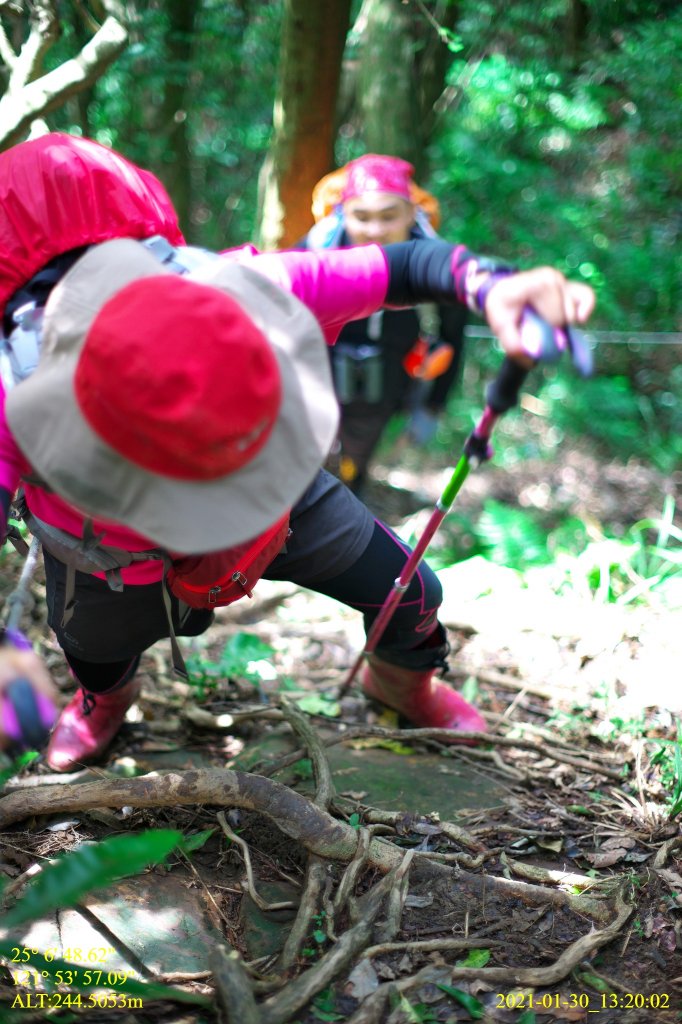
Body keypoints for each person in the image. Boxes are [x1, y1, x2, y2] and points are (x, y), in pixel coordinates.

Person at [0, 133, 595, 769]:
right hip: (110, 559)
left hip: (274, 504)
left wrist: (491, 284)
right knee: (96, 653)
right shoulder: (15, 388)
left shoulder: (244, 286)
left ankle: (400, 685)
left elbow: (403, 266)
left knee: (409, 594)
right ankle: (104, 702)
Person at [301, 154, 470, 496]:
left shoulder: (437, 270)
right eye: (361, 217)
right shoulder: (313, 256)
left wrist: (433, 406)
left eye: (389, 216)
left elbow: (453, 339)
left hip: (390, 388)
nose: (375, 230)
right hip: (319, 385)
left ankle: (353, 495)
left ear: (412, 214)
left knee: (355, 472)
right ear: (341, 214)